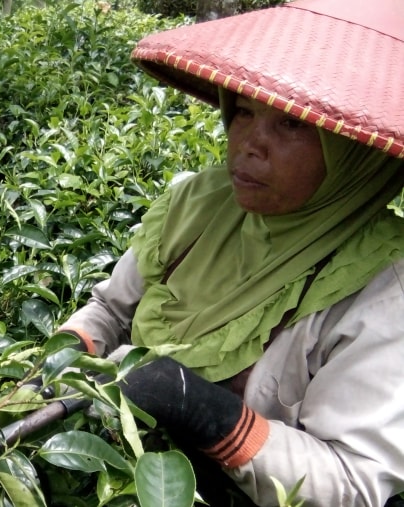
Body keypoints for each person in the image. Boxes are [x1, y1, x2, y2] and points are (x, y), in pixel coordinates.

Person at [57, 0, 404, 505]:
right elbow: (111, 309)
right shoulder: (199, 203)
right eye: (243, 111)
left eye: (291, 124)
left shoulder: (382, 290)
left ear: (354, 153)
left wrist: (208, 412)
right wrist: (61, 358)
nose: (248, 145)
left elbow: (354, 480)